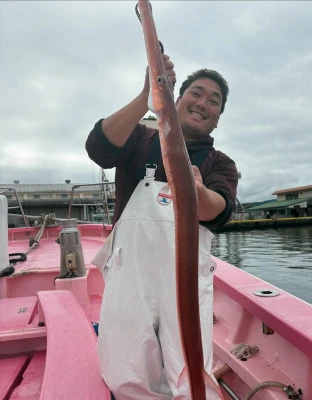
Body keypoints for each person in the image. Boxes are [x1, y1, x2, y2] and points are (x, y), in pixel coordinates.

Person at [86, 54, 239, 399]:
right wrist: (146, 95)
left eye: (214, 101)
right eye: (196, 93)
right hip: (130, 273)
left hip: (184, 279)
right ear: (176, 98)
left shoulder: (220, 163)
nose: (203, 103)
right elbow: (99, 149)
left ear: (217, 121)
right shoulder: (139, 138)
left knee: (190, 371)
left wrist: (197, 193)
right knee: (126, 371)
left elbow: (220, 212)